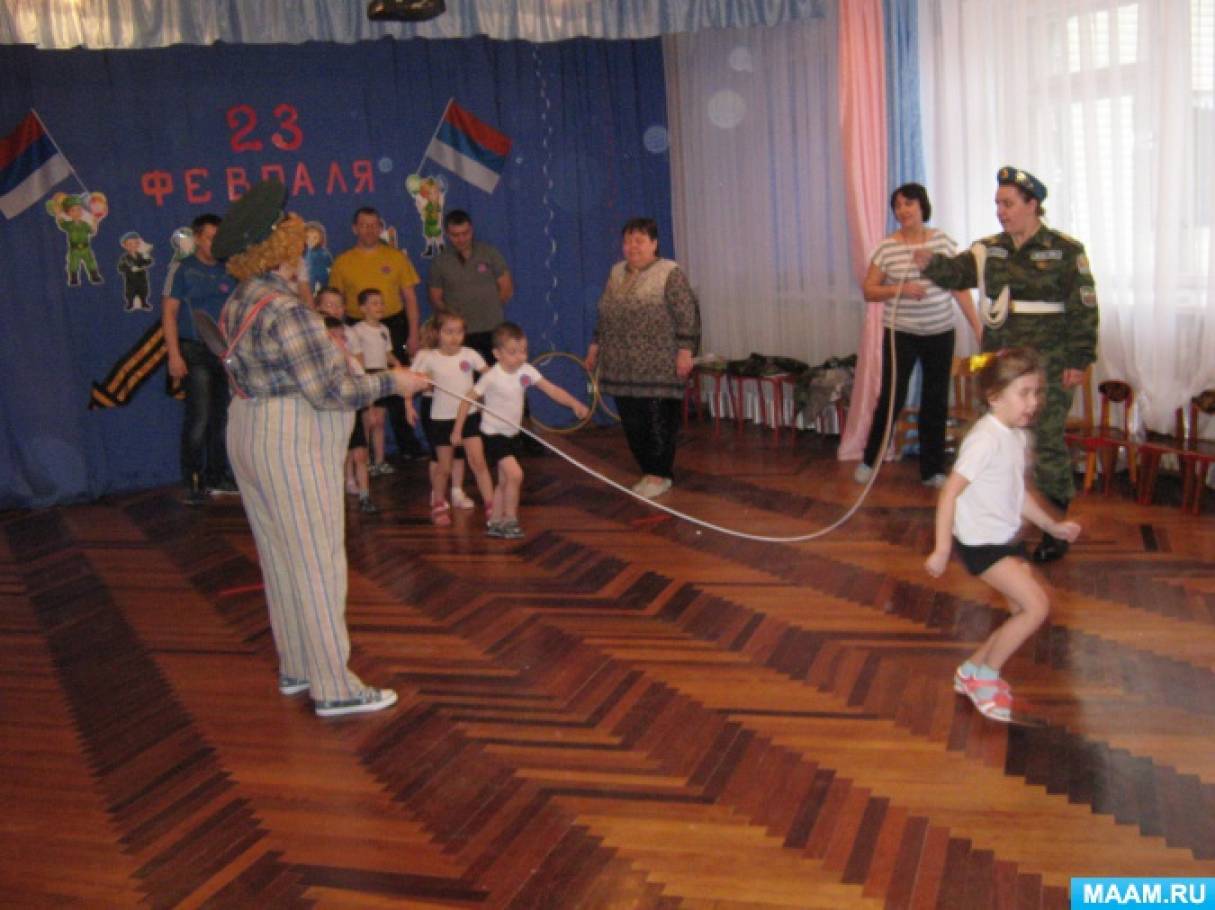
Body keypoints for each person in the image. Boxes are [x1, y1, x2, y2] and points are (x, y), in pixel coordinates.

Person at [213, 179, 428, 718]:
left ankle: (298, 666)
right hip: (288, 440)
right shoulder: (288, 311)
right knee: (316, 561)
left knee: (281, 556)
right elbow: (330, 391)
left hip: (248, 430)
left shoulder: (241, 298)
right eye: (298, 246)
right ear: (282, 251)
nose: (305, 254)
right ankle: (333, 685)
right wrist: (394, 381)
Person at [915, 166, 1098, 562]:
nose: (1000, 211)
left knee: (1046, 442)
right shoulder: (989, 249)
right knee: (997, 440)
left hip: (1048, 365)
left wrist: (1079, 359)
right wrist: (930, 262)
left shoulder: (1065, 250)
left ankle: (1054, 529)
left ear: (1032, 205)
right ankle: (998, 525)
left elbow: (1084, 309)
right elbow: (957, 272)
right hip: (1002, 364)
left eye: (1008, 203)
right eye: (997, 203)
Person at [924, 348, 1081, 722]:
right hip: (981, 544)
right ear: (994, 397)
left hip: (1005, 539)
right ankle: (986, 678)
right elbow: (949, 493)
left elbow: (1018, 493)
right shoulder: (985, 440)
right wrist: (941, 549)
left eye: (1036, 392)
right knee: (1036, 607)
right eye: (1024, 393)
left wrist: (1051, 526)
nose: (1033, 402)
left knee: (1021, 611)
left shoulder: (1016, 436)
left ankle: (971, 671)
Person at [854, 183, 981, 488]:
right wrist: (899, 289)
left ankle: (932, 470)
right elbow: (869, 290)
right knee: (892, 397)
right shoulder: (887, 247)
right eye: (898, 205)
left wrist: (978, 328)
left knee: (935, 400)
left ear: (922, 206)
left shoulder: (942, 242)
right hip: (901, 334)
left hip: (940, 333)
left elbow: (959, 288)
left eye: (909, 203)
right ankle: (870, 460)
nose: (903, 210)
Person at [585, 217, 699, 499]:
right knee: (633, 424)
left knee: (658, 422)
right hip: (621, 366)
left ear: (654, 243)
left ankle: (659, 475)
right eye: (627, 241)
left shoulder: (669, 272)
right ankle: (649, 471)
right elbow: (605, 313)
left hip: (659, 366)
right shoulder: (616, 273)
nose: (632, 246)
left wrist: (686, 351)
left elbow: (687, 315)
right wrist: (595, 345)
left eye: (639, 240)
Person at [453, 322, 589, 539]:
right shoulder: (492, 376)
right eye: (513, 352)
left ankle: (495, 522)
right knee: (516, 474)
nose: (520, 357)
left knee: (504, 482)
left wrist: (574, 403)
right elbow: (467, 399)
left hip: (512, 434)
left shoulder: (526, 371)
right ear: (497, 354)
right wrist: (457, 430)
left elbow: (551, 389)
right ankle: (510, 520)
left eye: (524, 351)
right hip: (493, 435)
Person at [328, 206, 427, 460]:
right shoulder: (342, 262)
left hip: (392, 324)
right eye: (364, 225)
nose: (370, 230)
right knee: (361, 385)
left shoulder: (396, 257)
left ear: (381, 228)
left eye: (374, 225)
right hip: (356, 327)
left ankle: (407, 445)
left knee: (399, 382)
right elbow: (335, 303)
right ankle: (366, 452)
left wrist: (413, 333)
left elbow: (410, 299)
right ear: (355, 228)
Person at [162, 212, 238, 504]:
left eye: (219, 238)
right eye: (210, 238)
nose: (215, 244)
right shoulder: (182, 270)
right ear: (196, 239)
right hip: (194, 350)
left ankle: (218, 476)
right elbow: (169, 314)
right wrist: (174, 354)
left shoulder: (230, 269)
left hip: (224, 351)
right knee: (200, 417)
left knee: (223, 418)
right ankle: (193, 480)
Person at [412, 312, 495, 526]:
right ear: (438, 333)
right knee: (444, 467)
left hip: (469, 416)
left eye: (459, 332)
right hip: (442, 419)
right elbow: (411, 382)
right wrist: (409, 400)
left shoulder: (470, 354)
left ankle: (491, 506)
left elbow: (491, 376)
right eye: (448, 332)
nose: (454, 337)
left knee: (478, 462)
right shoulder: (429, 357)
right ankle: (439, 503)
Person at [427, 209, 513, 365]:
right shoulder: (440, 262)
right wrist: (453, 319)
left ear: (472, 230)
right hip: (459, 333)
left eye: (465, 233)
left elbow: (506, 288)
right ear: (447, 234)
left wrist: (490, 307)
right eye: (455, 235)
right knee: (462, 375)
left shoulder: (489, 253)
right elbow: (435, 298)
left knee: (495, 374)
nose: (461, 239)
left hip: (492, 328)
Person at [320, 309, 375, 514]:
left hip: (352, 414)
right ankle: (336, 495)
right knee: (338, 457)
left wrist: (369, 410)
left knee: (360, 455)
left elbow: (364, 385)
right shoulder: (321, 365)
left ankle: (365, 495)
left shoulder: (351, 362)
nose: (341, 341)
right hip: (332, 418)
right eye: (335, 337)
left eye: (343, 337)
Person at [346, 289, 400, 475]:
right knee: (368, 421)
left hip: (382, 375)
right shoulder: (357, 330)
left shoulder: (384, 330)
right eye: (374, 303)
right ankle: (366, 461)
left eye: (381, 303)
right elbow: (356, 356)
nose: (380, 306)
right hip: (366, 375)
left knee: (380, 421)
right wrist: (361, 376)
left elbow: (387, 353)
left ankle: (380, 460)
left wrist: (398, 365)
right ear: (363, 308)